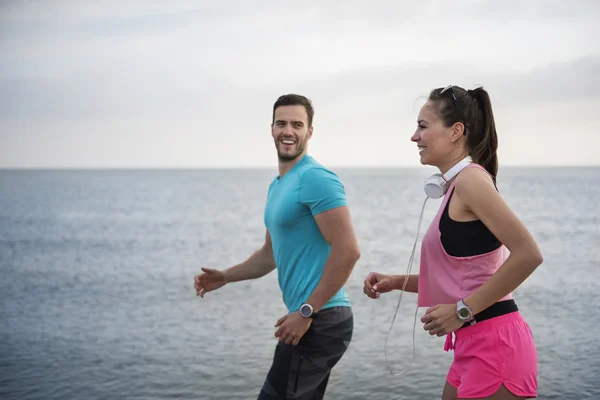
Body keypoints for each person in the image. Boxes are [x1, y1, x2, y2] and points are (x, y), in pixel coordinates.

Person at [363, 85, 543, 399]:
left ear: (456, 131)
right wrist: (395, 281)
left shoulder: (471, 181)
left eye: (422, 126)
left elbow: (529, 255)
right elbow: (461, 277)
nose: (414, 137)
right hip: (471, 344)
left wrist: (461, 311)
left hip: (496, 345)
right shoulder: (455, 188)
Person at [194, 94, 361, 399]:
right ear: (271, 128)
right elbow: (269, 254)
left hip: (321, 318)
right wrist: (226, 276)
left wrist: (307, 311)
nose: (288, 130)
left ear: (309, 132)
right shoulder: (279, 185)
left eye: (297, 124)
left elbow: (348, 250)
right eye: (282, 123)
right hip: (309, 317)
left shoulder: (316, 179)